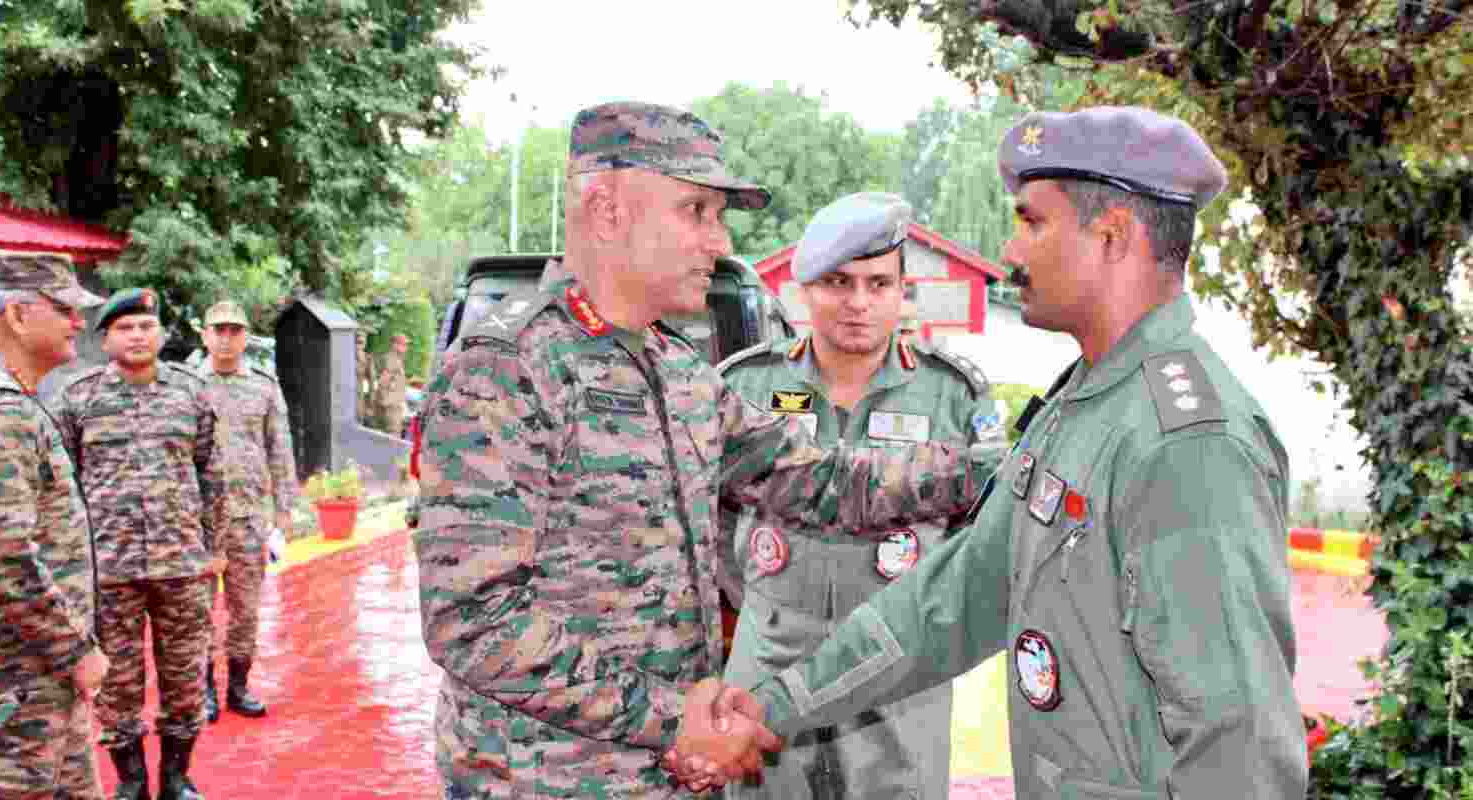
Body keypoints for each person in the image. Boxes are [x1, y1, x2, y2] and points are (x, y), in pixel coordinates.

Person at [672, 106, 1309, 800]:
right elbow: (955, 595)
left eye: (1031, 222)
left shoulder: (1186, 443)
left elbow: (1239, 747)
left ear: (1113, 236)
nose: (1010, 249)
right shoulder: (1081, 405)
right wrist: (772, 705)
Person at [413, 100, 1003, 800]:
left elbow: (816, 481)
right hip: (539, 781)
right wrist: (674, 719)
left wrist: (996, 470)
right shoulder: (507, 369)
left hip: (666, 778)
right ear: (605, 209)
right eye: (696, 211)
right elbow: (473, 620)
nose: (718, 241)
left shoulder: (680, 372)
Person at [715, 192, 997, 800]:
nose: (859, 303)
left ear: (903, 291)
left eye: (878, 283)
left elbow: (982, 541)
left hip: (899, 680)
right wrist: (764, 607)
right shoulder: (747, 384)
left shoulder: (953, 395)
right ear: (805, 289)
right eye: (839, 282)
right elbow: (710, 529)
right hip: (769, 668)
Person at [55, 288, 228, 800]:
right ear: (105, 338)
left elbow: (211, 475)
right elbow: (63, 488)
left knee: (184, 677)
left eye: (145, 327)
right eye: (125, 328)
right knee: (118, 684)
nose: (137, 336)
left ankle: (177, 777)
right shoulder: (78, 398)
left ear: (160, 334)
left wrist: (215, 547)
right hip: (109, 569)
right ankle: (132, 780)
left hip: (180, 564)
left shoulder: (191, 393)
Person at [0, 249, 109, 800]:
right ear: (18, 315)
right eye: (65, 308)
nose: (79, 322)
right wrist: (76, 649)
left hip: (38, 678)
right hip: (13, 687)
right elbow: (0, 551)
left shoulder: (10, 400)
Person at [195, 299, 296, 722]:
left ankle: (238, 685)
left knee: (246, 610)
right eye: (218, 329)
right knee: (197, 612)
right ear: (204, 334)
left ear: (245, 337)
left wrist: (285, 506)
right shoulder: (185, 385)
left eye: (234, 330)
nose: (225, 337)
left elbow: (280, 445)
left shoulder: (263, 385)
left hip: (248, 518)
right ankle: (202, 690)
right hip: (196, 522)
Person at [374, 333, 408, 436]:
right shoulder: (392, 360)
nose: (406, 348)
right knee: (391, 437)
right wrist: (385, 401)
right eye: (403, 344)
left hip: (392, 405)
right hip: (391, 407)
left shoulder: (396, 360)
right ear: (394, 345)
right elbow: (383, 381)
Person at [356, 330, 375, 425]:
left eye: (362, 341)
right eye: (358, 340)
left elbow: (372, 384)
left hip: (358, 400)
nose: (360, 343)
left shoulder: (368, 358)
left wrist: (370, 405)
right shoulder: (344, 355)